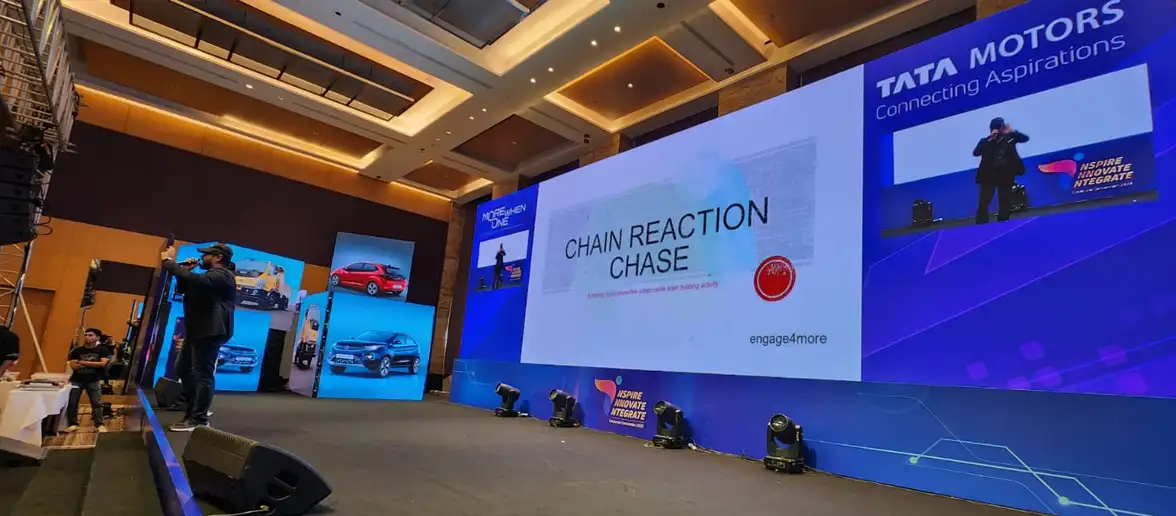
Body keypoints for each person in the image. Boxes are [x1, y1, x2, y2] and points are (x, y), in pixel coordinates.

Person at [161, 243, 236, 432]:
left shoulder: (223, 275)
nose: (202, 258)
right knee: (182, 367)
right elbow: (185, 287)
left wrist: (168, 261)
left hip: (211, 329)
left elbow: (198, 280)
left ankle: (199, 419)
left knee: (203, 373)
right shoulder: (207, 277)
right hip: (197, 329)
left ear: (218, 257)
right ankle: (194, 411)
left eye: (206, 255)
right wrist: (185, 270)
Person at [972, 117, 1029, 224]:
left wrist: (1012, 131)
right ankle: (981, 223)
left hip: (1006, 174)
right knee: (984, 201)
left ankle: (1003, 222)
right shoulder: (986, 141)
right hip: (988, 176)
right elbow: (976, 153)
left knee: (1005, 201)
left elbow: (1025, 138)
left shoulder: (1010, 138)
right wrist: (990, 139)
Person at [65, 328, 112, 432]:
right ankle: (73, 423)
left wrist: (83, 362)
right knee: (72, 402)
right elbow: (73, 365)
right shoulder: (77, 351)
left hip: (93, 380)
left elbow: (102, 364)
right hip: (77, 380)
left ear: (97, 338)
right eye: (86, 335)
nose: (87, 337)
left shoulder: (103, 350)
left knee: (96, 403)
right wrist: (93, 364)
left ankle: (99, 424)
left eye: (90, 335)